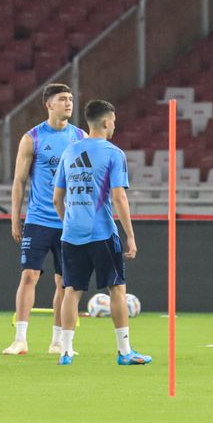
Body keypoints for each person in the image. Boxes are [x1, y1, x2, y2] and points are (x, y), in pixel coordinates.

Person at [52, 99, 151, 366]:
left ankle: (66, 351)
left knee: (71, 290)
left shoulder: (69, 152)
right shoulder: (113, 153)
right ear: (107, 122)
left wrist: (68, 221)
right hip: (102, 232)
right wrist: (129, 234)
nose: (114, 125)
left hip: (71, 233)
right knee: (117, 288)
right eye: (114, 121)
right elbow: (119, 197)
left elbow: (56, 198)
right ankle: (124, 352)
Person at [3, 83, 86, 356]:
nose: (69, 103)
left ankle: (58, 341)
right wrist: (15, 219)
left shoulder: (80, 137)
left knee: (65, 282)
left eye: (71, 99)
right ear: (49, 104)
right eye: (63, 99)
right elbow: (18, 181)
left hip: (69, 222)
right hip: (38, 219)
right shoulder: (33, 138)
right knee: (29, 276)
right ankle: (20, 339)